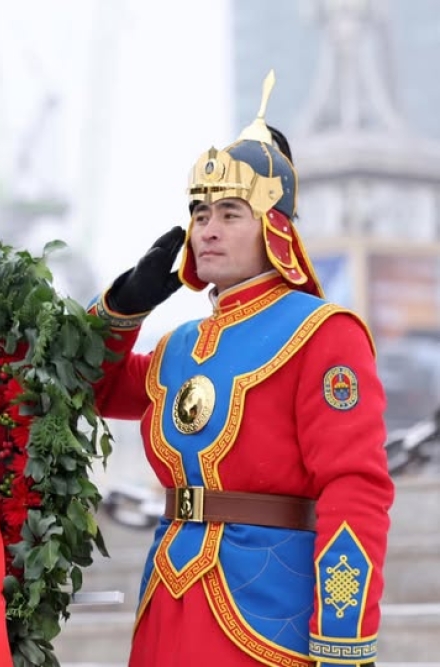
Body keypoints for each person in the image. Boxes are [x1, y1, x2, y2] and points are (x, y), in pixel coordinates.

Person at [90, 74, 393, 666]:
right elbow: (92, 388)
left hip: (266, 615)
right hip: (168, 601)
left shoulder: (324, 332)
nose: (207, 229)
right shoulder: (178, 346)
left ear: (275, 228)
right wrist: (123, 308)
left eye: (230, 213)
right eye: (199, 213)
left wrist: (343, 640)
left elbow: (355, 488)